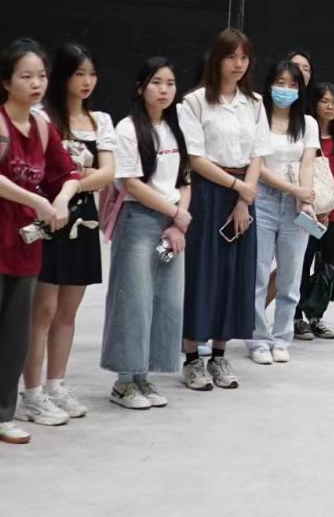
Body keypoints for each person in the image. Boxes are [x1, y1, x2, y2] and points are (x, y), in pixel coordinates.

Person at [0, 39, 80, 450]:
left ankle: (1, 414)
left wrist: (61, 199)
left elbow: (68, 173)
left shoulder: (42, 126)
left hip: (27, 247)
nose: (36, 83)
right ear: (6, 81)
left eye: (41, 76)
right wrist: (37, 201)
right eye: (26, 76)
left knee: (13, 336)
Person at [20, 44, 116, 423]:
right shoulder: (42, 118)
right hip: (49, 218)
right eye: (79, 74)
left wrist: (73, 182)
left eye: (92, 74)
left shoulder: (101, 121)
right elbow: (40, 172)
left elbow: (108, 174)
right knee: (42, 310)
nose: (87, 81)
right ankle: (31, 391)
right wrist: (75, 180)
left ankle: (56, 384)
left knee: (68, 311)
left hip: (83, 219)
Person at [100, 57, 192, 410]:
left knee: (166, 300)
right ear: (141, 88)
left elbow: (185, 179)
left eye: (170, 83)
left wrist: (177, 222)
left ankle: (143, 377)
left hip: (172, 222)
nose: (164, 90)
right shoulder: (127, 129)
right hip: (138, 220)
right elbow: (132, 185)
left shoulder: (175, 128)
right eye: (156, 82)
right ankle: (124, 381)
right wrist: (176, 213)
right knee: (133, 300)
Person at [176, 29, 265, 390]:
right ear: (217, 59)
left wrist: (245, 198)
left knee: (233, 274)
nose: (238, 64)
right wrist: (237, 187)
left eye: (244, 57)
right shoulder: (195, 102)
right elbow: (195, 158)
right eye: (231, 56)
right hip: (207, 193)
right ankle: (191, 359)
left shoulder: (255, 103)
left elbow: (257, 155)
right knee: (202, 273)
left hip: (243, 195)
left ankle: (219, 355)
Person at [247, 60, 317, 366]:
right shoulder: (258, 118)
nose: (285, 90)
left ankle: (281, 338)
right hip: (262, 198)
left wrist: (306, 199)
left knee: (290, 276)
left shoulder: (308, 124)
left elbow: (307, 164)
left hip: (295, 205)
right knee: (258, 274)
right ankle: (257, 339)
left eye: (292, 85)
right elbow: (257, 166)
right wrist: (294, 190)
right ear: (269, 85)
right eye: (280, 83)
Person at [294, 82, 334, 341]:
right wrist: (315, 206)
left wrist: (331, 204)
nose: (330, 106)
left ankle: (316, 316)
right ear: (314, 103)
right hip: (307, 212)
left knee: (326, 266)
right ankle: (296, 317)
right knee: (302, 262)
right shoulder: (304, 136)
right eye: (324, 101)